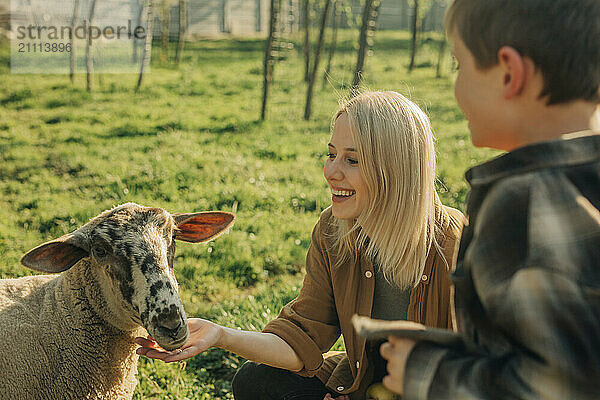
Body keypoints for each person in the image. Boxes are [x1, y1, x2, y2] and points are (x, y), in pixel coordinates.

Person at [135, 91, 465, 400]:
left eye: (352, 160)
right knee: (256, 381)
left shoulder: (462, 246)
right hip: (364, 382)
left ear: (395, 170)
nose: (331, 172)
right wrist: (220, 335)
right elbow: (301, 338)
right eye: (331, 154)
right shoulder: (334, 232)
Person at [379, 0, 600, 399]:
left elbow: (559, 386)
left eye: (460, 65)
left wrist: (427, 372)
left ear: (508, 73)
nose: (456, 85)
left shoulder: (524, 204)